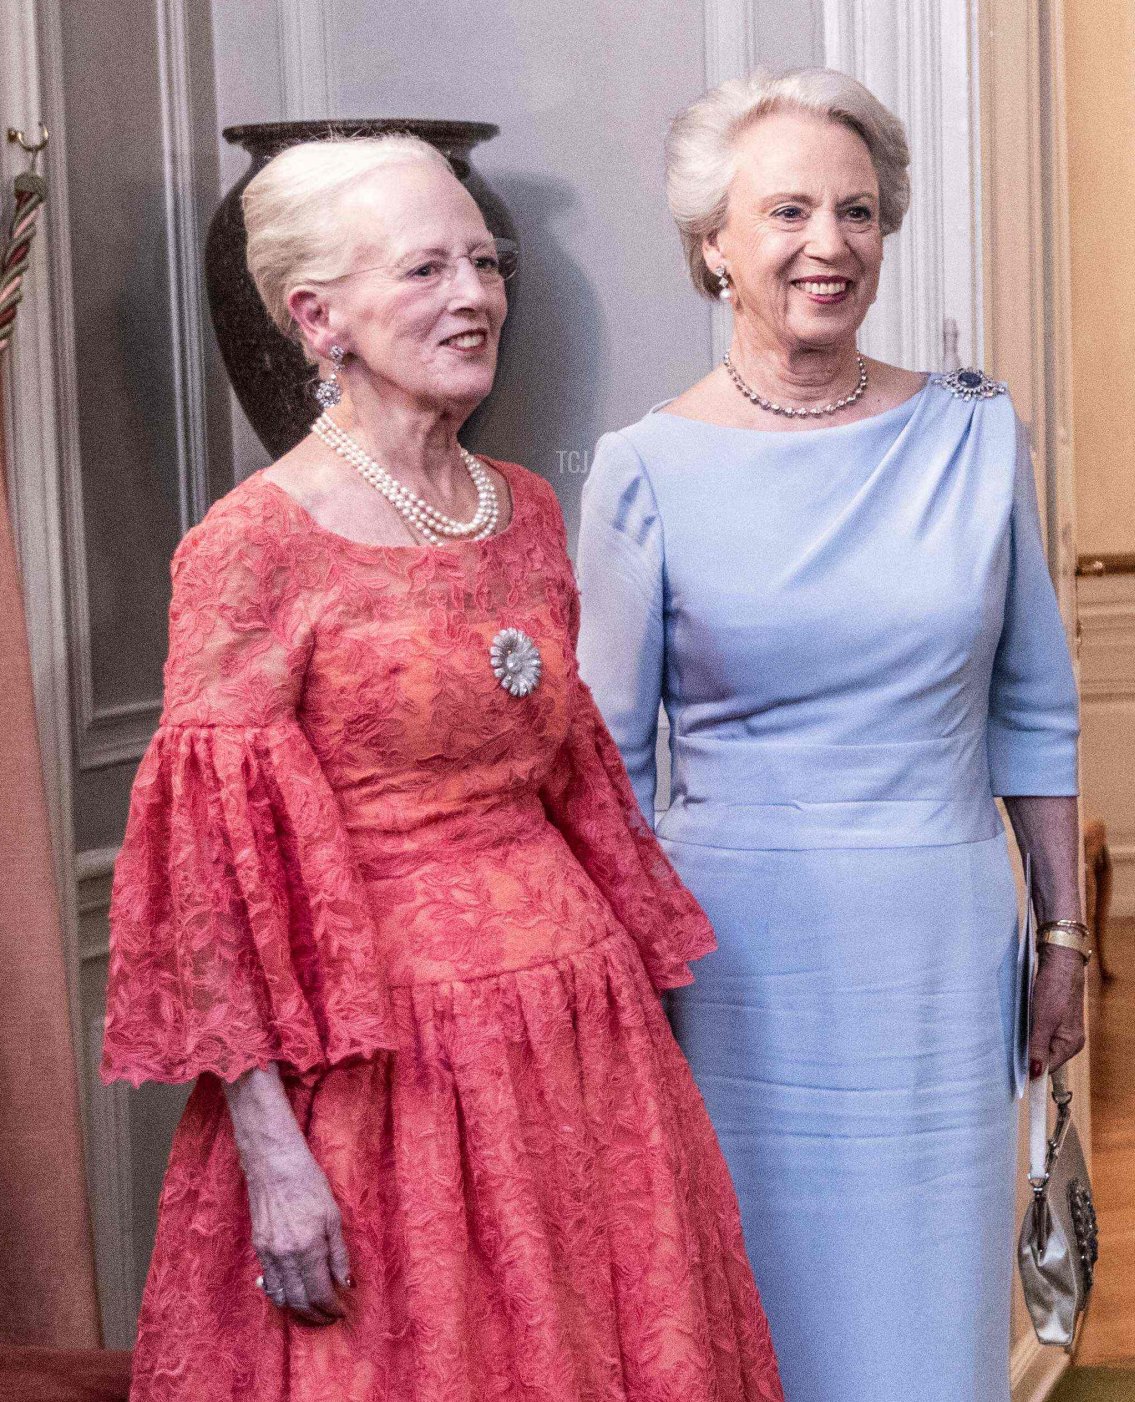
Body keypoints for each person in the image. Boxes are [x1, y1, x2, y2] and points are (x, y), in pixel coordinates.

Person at [101, 134, 782, 1402]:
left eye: (484, 261)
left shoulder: (521, 506)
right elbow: (209, 877)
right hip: (378, 1077)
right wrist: (272, 1153)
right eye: (426, 269)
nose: (475, 296)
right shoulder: (253, 545)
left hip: (575, 1042)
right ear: (320, 318)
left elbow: (573, 784)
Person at [577, 69, 1086, 1402]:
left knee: (931, 1313)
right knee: (757, 1305)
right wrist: (622, 987)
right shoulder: (644, 463)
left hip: (939, 938)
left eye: (858, 211)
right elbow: (610, 766)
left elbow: (1032, 704)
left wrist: (1064, 935)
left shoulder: (977, 427)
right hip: (735, 956)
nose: (830, 243)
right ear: (714, 245)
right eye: (788, 209)